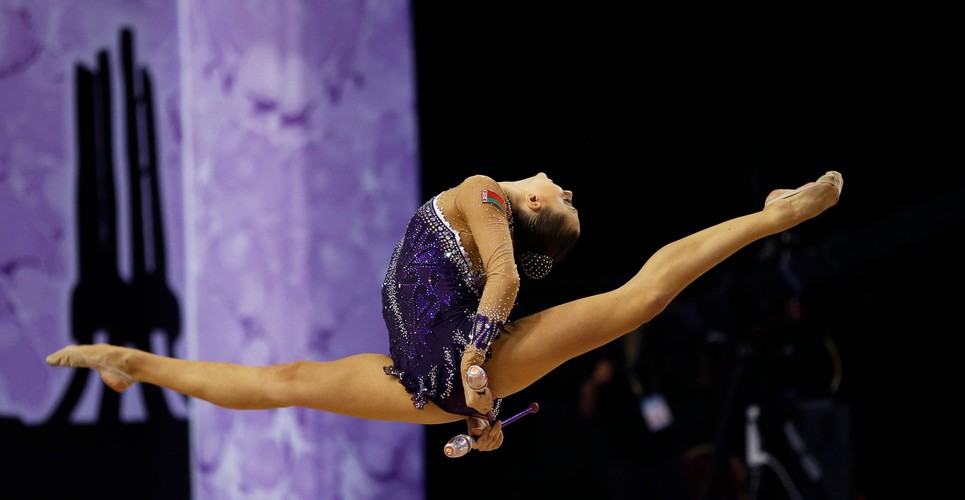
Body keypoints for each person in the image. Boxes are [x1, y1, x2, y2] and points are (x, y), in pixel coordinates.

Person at [46, 170, 844, 453]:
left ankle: (771, 217)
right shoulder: (490, 208)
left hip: (456, 367)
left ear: (528, 205)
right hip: (423, 375)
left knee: (638, 298)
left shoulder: (484, 193)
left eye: (560, 199)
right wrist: (478, 408)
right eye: (565, 198)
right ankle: (132, 364)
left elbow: (501, 278)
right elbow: (496, 281)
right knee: (282, 378)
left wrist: (475, 365)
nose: (562, 188)